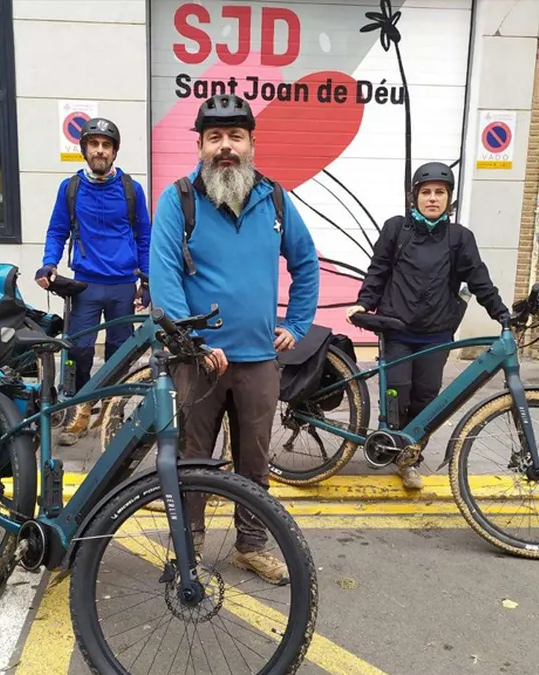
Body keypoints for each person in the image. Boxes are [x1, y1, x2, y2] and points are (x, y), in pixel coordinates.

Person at [149, 93, 320, 585]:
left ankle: (251, 546)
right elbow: (164, 276)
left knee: (254, 462)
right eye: (215, 138)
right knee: (193, 461)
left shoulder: (276, 199)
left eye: (235, 137)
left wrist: (297, 324)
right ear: (201, 146)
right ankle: (189, 549)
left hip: (259, 360)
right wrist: (193, 343)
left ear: (251, 143)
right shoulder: (179, 199)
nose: (225, 147)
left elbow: (306, 263)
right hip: (199, 361)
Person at [345, 161, 511, 490]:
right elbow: (378, 269)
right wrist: (365, 301)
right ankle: (393, 443)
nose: (432, 198)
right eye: (426, 192)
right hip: (397, 329)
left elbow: (479, 279)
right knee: (397, 392)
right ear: (415, 197)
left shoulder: (459, 238)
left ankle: (409, 458)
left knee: (427, 400)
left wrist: (501, 314)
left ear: (449, 199)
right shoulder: (397, 229)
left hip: (436, 334)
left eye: (440, 192)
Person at [37, 117, 152, 446]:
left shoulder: (131, 189)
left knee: (120, 351)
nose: (100, 150)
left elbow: (144, 236)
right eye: (94, 144)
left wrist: (147, 281)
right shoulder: (70, 188)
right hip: (85, 284)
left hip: (122, 285)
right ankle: (80, 412)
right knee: (79, 351)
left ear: (114, 152)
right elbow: (57, 230)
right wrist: (48, 264)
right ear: (84, 149)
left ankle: (111, 410)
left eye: (106, 145)